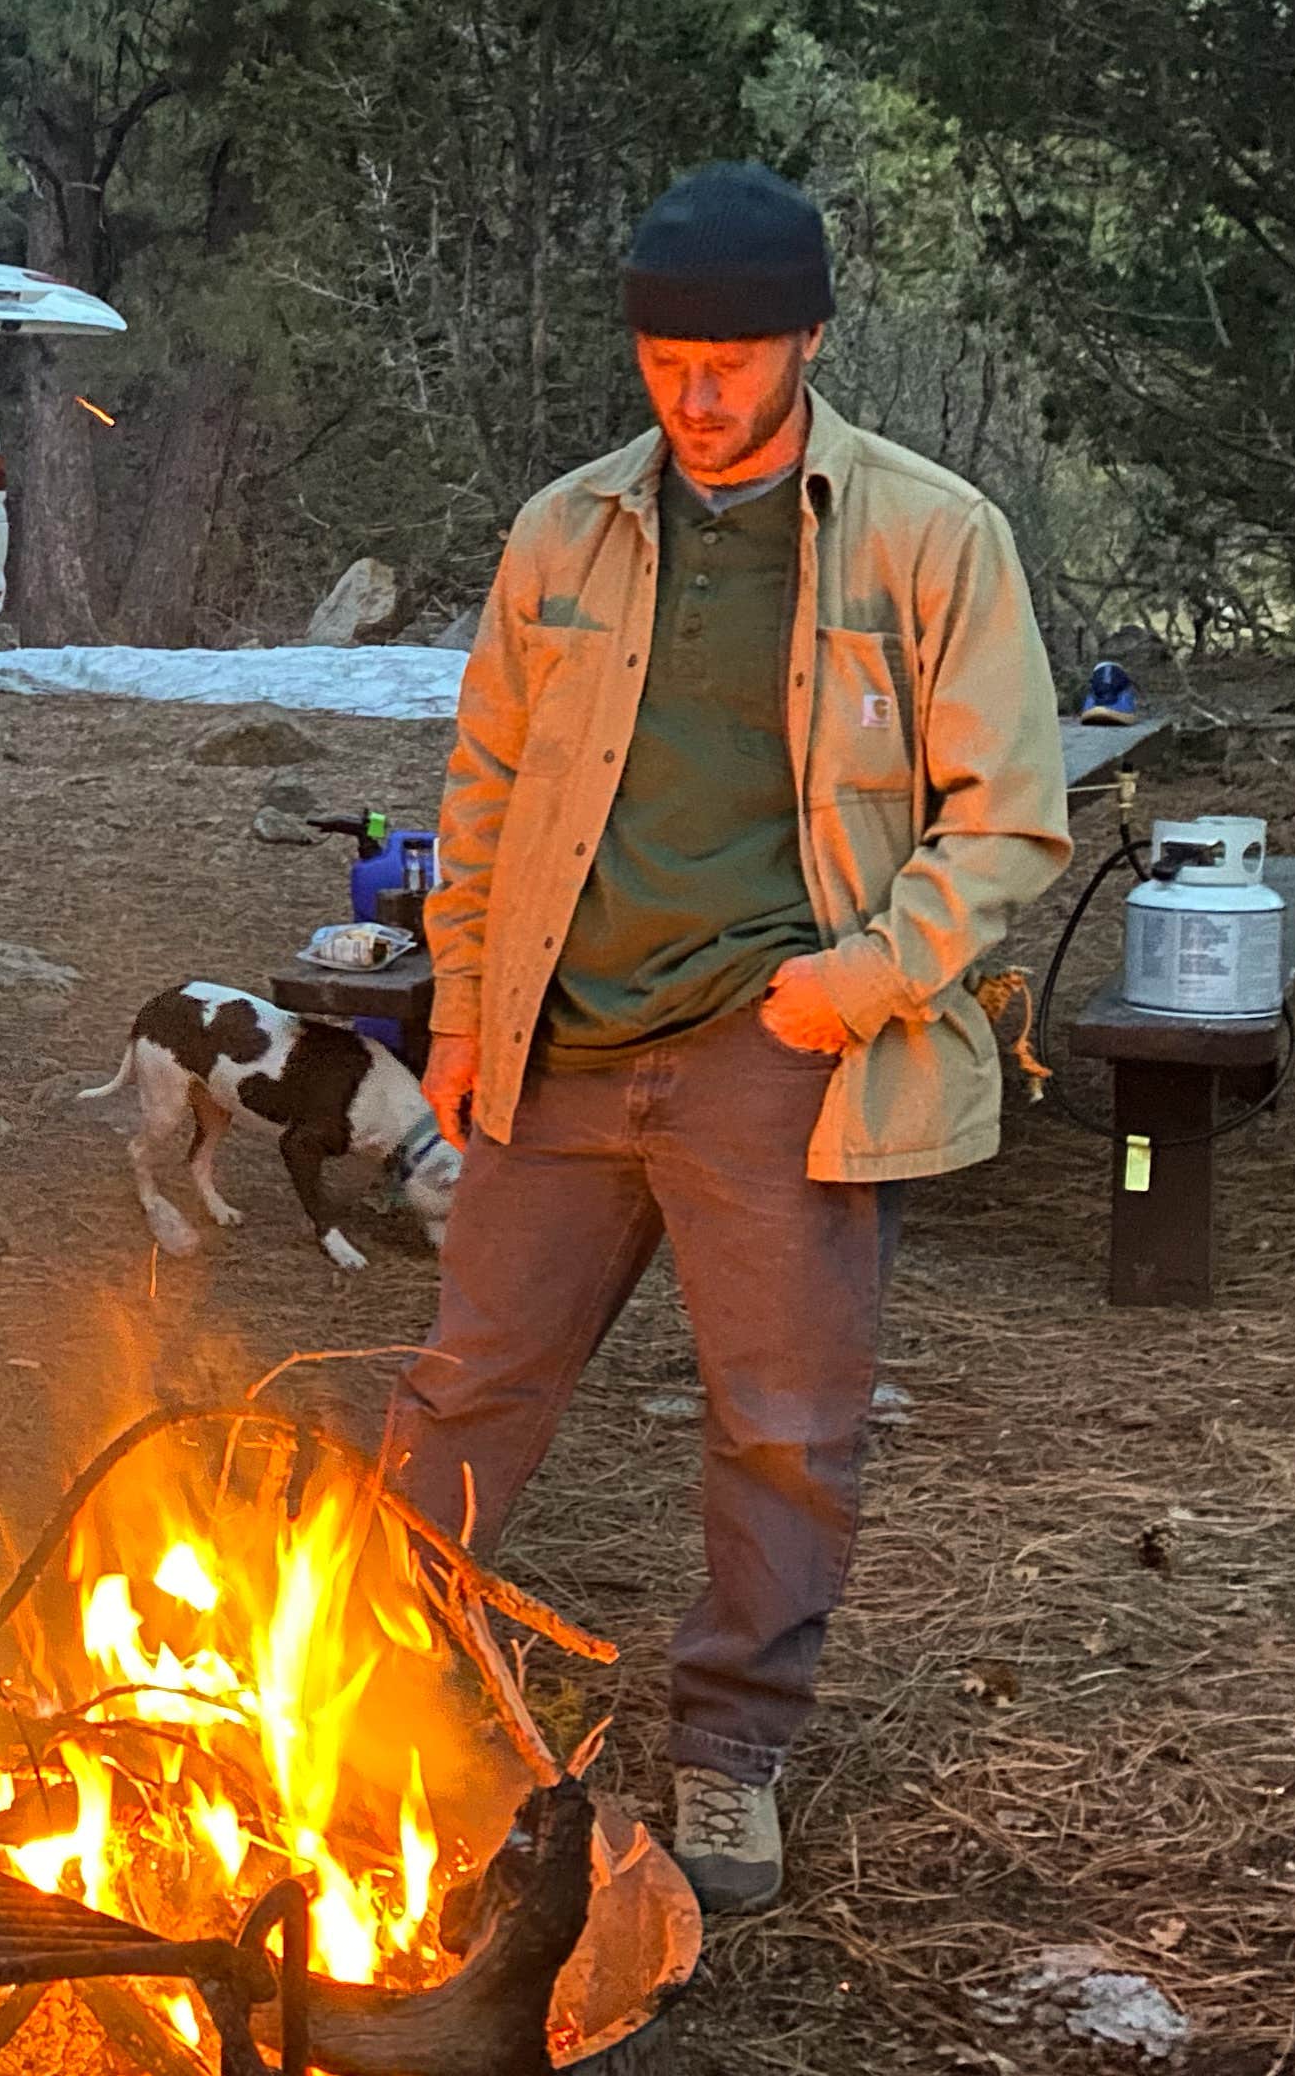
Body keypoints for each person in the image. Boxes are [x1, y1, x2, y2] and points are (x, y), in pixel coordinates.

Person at [382, 161, 1067, 1914]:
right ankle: (369, 1687)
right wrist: (461, 1007)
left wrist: (852, 983)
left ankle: (732, 1753)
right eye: (666, 359)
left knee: (779, 1422)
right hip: (557, 1043)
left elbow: (1006, 818)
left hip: (777, 1048)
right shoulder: (565, 532)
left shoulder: (926, 535)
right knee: (468, 1387)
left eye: (733, 362)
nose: (696, 396)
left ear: (809, 343)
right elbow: (479, 793)